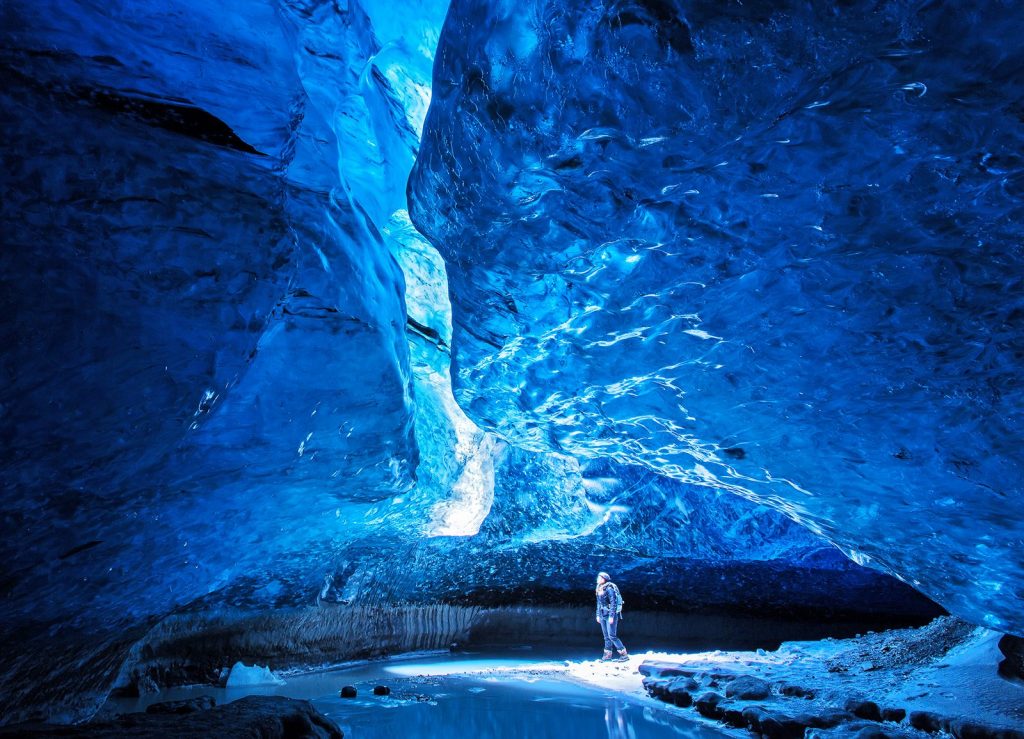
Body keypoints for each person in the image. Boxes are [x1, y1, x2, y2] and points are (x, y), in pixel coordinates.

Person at [595, 571, 628, 661]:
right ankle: (607, 655)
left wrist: (611, 616)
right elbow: (599, 603)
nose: (597, 579)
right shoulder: (599, 588)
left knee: (612, 636)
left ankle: (624, 654)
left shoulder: (609, 588)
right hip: (602, 614)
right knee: (606, 636)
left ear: (603, 579)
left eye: (599, 577)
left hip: (610, 615)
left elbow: (613, 603)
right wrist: (598, 615)